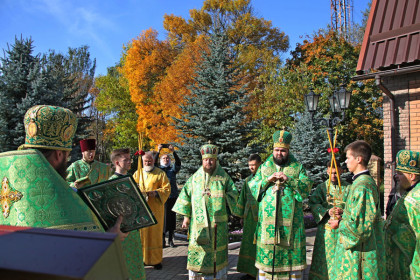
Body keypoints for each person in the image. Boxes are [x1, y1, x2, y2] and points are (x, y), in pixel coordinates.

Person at [0, 105, 146, 279]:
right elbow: (72, 255)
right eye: (67, 154)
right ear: (59, 155)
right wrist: (109, 237)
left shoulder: (7, 180)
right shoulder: (65, 201)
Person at [248, 130, 312, 280]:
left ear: (288, 150)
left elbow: (306, 187)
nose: (279, 153)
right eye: (276, 150)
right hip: (267, 226)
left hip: (292, 228)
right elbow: (252, 186)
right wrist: (267, 180)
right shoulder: (264, 168)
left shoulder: (297, 167)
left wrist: (289, 179)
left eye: (283, 150)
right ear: (273, 150)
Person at [172, 144, 239, 280]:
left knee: (216, 255)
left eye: (211, 160)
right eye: (206, 160)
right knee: (199, 253)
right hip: (198, 225)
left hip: (217, 226)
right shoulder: (195, 179)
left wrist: (227, 200)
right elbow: (185, 197)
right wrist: (186, 218)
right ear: (202, 161)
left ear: (215, 160)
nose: (208, 162)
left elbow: (234, 195)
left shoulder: (223, 178)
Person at [331, 140, 385, 280]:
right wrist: (344, 214)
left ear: (359, 159)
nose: (346, 162)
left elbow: (360, 226)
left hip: (360, 252)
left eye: (348, 158)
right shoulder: (360, 182)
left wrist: (339, 224)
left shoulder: (363, 186)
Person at [308, 161, 350, 280]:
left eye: (336, 173)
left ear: (341, 171)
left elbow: (354, 206)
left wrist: (343, 211)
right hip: (326, 232)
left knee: (341, 259)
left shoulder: (349, 188)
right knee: (325, 259)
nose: (333, 176)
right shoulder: (322, 188)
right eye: (331, 173)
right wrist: (327, 211)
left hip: (342, 229)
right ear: (327, 171)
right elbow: (313, 203)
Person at [109, 148, 146, 280]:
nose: (130, 162)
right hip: (121, 231)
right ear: (117, 163)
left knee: (135, 261)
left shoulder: (130, 178)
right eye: (126, 160)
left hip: (134, 231)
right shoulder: (111, 182)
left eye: (130, 159)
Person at [133, 151, 170, 270]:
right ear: (142, 162)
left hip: (155, 209)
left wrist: (156, 193)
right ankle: (143, 259)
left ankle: (156, 260)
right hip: (142, 210)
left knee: (155, 234)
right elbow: (132, 187)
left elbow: (167, 189)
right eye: (145, 161)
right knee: (142, 234)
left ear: (153, 161)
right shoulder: (138, 173)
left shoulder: (160, 173)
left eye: (150, 161)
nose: (148, 162)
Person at [386, 149, 419, 279]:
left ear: (412, 176)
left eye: (400, 173)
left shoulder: (415, 199)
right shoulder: (409, 193)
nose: (397, 177)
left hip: (411, 261)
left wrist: (396, 232)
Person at [234, 153, 262, 280]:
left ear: (259, 165)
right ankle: (249, 272)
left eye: (254, 165)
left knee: (259, 244)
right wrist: (241, 216)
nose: (251, 168)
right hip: (249, 217)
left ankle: (259, 272)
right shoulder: (247, 180)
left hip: (261, 217)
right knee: (248, 244)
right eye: (250, 165)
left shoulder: (265, 179)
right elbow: (243, 198)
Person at [154, 144, 181, 248]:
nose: (166, 159)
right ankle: (162, 240)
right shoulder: (158, 170)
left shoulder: (172, 170)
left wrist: (173, 152)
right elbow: (154, 162)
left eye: (167, 158)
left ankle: (170, 240)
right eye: (164, 158)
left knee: (171, 219)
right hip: (161, 197)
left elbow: (178, 163)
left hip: (172, 197)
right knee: (163, 219)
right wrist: (158, 151)